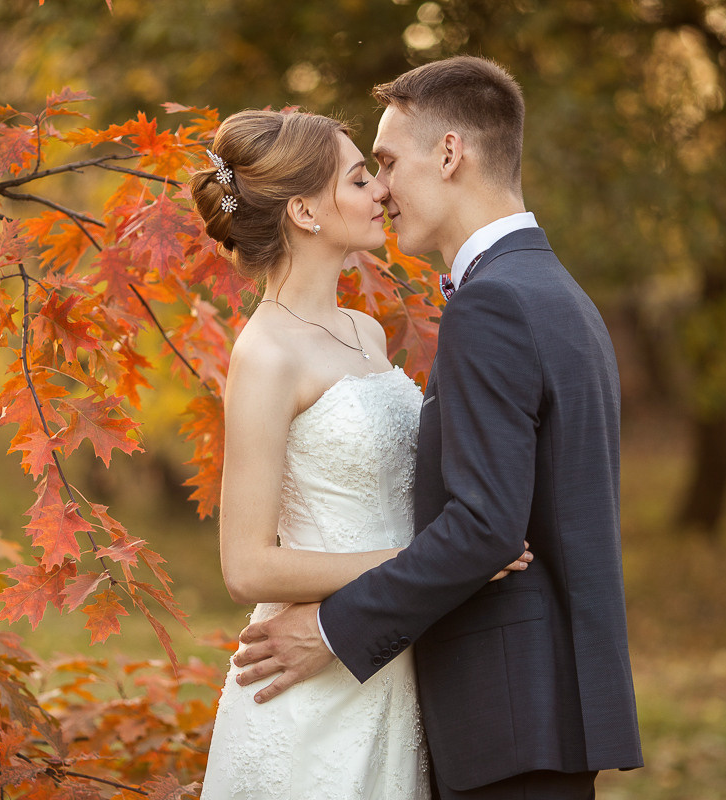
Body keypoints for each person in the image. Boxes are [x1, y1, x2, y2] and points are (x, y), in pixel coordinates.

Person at [230, 57, 644, 799]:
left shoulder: (492, 305)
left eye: (382, 164)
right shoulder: (556, 291)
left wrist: (329, 629)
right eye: (364, 175)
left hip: (506, 710)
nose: (381, 190)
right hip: (523, 703)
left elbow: (486, 532)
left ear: (449, 154)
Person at [190, 109, 531, 800]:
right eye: (358, 178)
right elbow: (246, 566)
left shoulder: (365, 331)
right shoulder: (265, 355)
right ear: (306, 212)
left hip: (389, 658)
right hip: (312, 692)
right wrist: (440, 564)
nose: (382, 189)